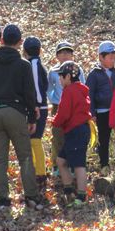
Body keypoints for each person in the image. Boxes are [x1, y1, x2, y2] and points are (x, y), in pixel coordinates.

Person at [0, 24, 44, 210]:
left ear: (2, 40)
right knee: (25, 156)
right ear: (20, 42)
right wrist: (32, 118)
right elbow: (30, 94)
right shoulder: (24, 64)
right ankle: (31, 195)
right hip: (16, 112)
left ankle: (3, 198)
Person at [51, 61, 91, 207]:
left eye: (61, 77)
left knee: (79, 164)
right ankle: (69, 192)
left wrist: (54, 122)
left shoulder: (69, 91)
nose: (60, 80)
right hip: (80, 130)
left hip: (76, 131)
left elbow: (64, 113)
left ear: (68, 76)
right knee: (61, 161)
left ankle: (81, 196)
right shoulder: (81, 90)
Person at [47, 42, 86, 176]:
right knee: (57, 135)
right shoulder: (53, 71)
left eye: (68, 52)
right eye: (62, 53)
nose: (65, 55)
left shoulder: (77, 69)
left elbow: (83, 85)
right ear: (57, 56)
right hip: (58, 105)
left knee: (72, 136)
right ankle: (56, 165)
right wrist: (54, 99)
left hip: (74, 107)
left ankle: (71, 165)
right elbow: (49, 88)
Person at [85, 41, 115, 176]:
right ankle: (104, 164)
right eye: (110, 57)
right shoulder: (94, 74)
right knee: (104, 138)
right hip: (102, 112)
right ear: (101, 57)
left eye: (114, 57)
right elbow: (89, 94)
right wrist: (92, 112)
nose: (113, 60)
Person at [22, 36, 49, 187]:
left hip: (38, 106)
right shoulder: (37, 63)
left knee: (35, 140)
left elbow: (38, 88)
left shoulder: (33, 64)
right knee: (33, 140)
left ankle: (40, 173)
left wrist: (35, 105)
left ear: (24, 51)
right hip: (38, 106)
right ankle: (37, 171)